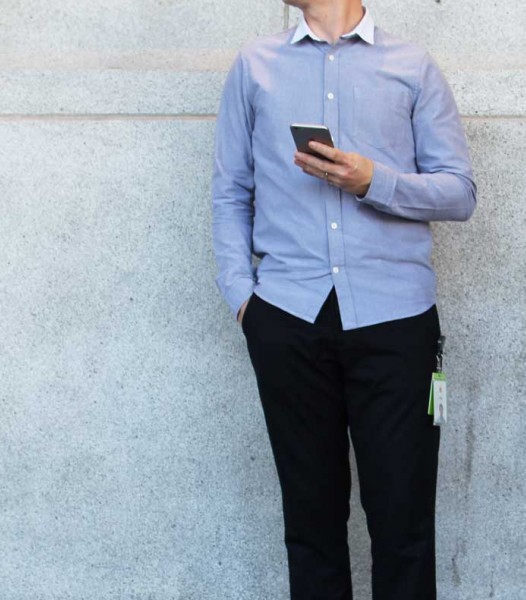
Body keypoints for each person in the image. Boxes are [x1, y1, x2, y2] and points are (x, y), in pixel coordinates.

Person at [211, 1, 477, 598]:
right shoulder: (254, 66)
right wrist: (245, 302)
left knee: (403, 525)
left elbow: (459, 192)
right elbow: (230, 192)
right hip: (287, 319)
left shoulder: (412, 66)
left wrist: (372, 181)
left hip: (397, 322)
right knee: (311, 526)